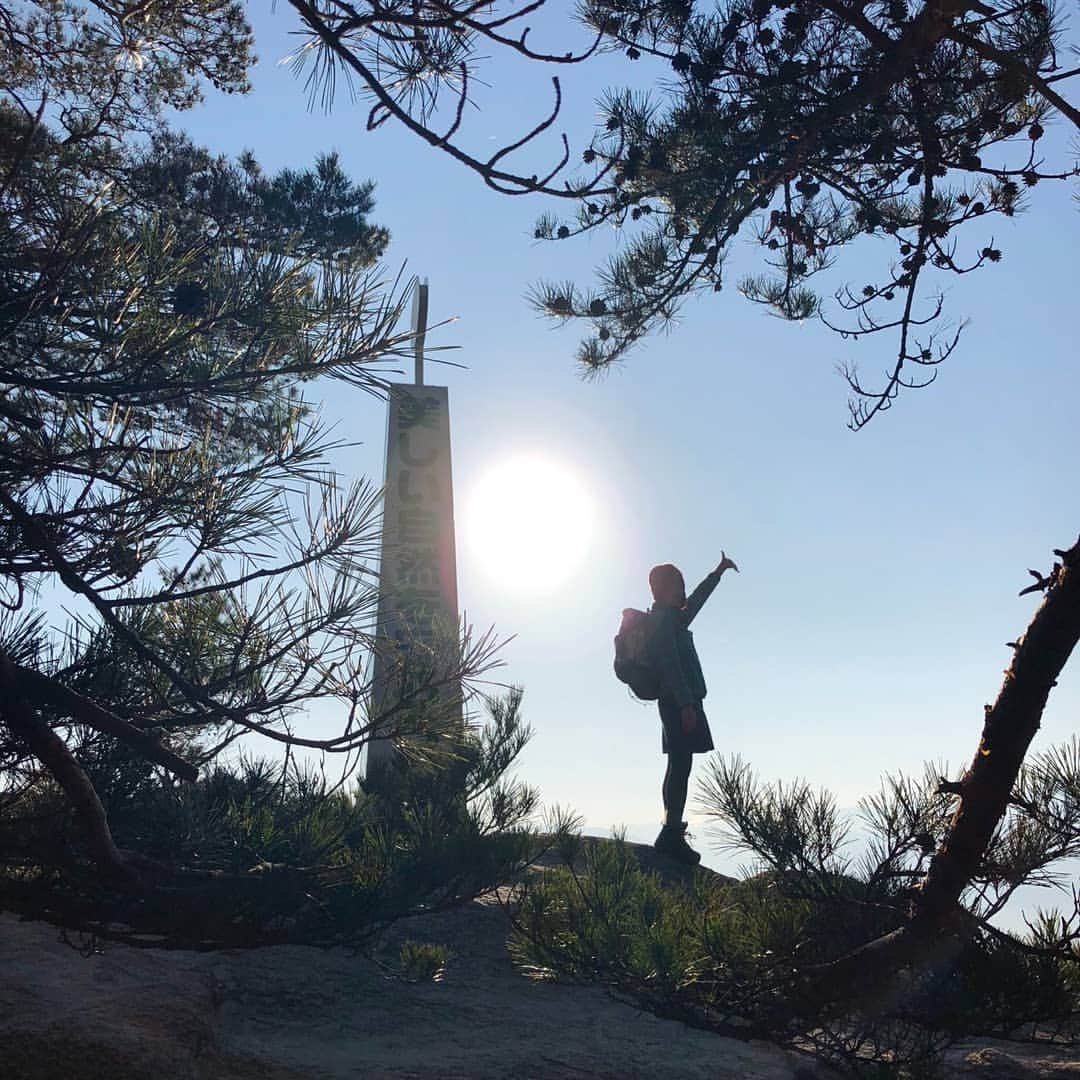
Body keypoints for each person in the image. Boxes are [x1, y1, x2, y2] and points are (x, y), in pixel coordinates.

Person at [647, 553, 738, 864]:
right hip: (678, 702)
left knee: (679, 764)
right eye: (677, 586)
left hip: (681, 701)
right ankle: (670, 834)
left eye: (683, 585)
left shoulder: (672, 618)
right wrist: (686, 704)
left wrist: (717, 573)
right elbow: (670, 665)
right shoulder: (663, 622)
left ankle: (671, 831)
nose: (682, 591)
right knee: (679, 765)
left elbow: (696, 601)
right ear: (660, 590)